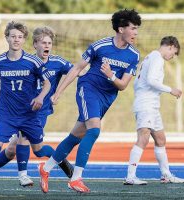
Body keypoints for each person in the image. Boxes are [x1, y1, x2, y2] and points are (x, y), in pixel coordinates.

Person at [38, 9, 142, 193]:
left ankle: (45, 169)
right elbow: (77, 68)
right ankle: (76, 178)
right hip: (88, 89)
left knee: (75, 137)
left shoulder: (133, 55)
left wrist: (110, 76)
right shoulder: (99, 46)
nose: (135, 32)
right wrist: (58, 93)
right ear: (120, 29)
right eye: (133, 28)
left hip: (107, 97)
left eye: (136, 29)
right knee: (93, 131)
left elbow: (123, 85)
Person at [0, 26, 74, 187]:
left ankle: (24, 174)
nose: (47, 46)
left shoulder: (57, 62)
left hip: (40, 109)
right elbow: (4, 72)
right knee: (14, 149)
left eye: (49, 43)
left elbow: (77, 70)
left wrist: (60, 91)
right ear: (34, 44)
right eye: (43, 42)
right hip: (23, 108)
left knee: (26, 143)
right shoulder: (28, 61)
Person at [0, 21, 54, 199]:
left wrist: (40, 97)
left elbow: (47, 83)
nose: (16, 40)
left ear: (24, 40)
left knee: (39, 150)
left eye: (20, 37)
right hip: (6, 115)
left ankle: (63, 161)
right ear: (6, 38)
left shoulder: (33, 61)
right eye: (13, 36)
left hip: (28, 115)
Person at [124, 36, 184, 185]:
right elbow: (151, 81)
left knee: (160, 139)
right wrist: (170, 89)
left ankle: (166, 175)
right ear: (170, 46)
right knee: (143, 138)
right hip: (146, 105)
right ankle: (130, 176)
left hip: (151, 105)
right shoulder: (157, 58)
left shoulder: (150, 57)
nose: (172, 57)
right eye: (173, 53)